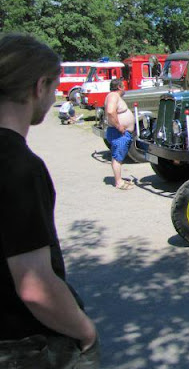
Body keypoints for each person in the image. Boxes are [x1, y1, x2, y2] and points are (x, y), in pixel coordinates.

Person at [0, 33, 100, 367]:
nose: (55, 95)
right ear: (39, 86)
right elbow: (34, 286)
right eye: (54, 87)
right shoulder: (19, 166)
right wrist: (85, 332)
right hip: (23, 344)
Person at [104, 78, 135, 190]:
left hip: (120, 132)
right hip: (118, 132)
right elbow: (110, 111)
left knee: (118, 156)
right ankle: (119, 182)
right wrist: (118, 126)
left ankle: (119, 179)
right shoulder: (113, 96)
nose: (125, 88)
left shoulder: (114, 96)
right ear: (119, 87)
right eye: (123, 86)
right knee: (117, 157)